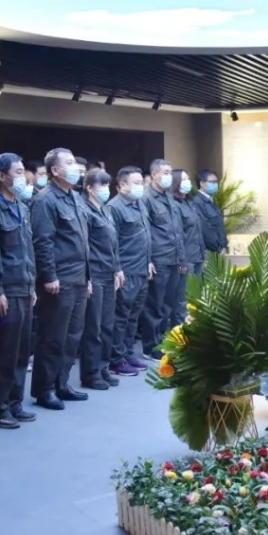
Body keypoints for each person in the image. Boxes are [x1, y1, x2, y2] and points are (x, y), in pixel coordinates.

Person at [30, 147, 91, 410]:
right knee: (53, 336)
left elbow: (82, 241)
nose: (75, 167)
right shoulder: (45, 200)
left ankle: (62, 384)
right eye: (69, 163)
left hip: (79, 277)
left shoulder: (75, 197)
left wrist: (88, 277)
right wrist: (49, 276)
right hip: (60, 279)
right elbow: (42, 242)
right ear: (55, 170)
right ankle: (44, 389)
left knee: (72, 336)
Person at [0, 153, 38, 429]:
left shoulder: (22, 207)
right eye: (17, 172)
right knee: (3, 353)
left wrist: (33, 284)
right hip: (7, 290)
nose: (22, 176)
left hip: (25, 287)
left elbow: (29, 250)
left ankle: (15, 403)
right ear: (2, 176)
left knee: (21, 352)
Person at [138, 159, 186, 360]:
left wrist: (181, 258)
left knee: (168, 305)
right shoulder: (146, 198)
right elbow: (145, 232)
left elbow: (177, 231)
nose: (169, 176)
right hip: (158, 259)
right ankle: (151, 346)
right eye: (165, 172)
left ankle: (162, 341)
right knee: (154, 306)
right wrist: (148, 260)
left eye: (170, 172)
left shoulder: (169, 198)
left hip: (174, 258)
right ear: (154, 174)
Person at [107, 167, 153, 377]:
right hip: (126, 271)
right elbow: (112, 243)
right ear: (122, 185)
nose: (140, 187)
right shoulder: (114, 207)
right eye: (136, 183)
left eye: (141, 183)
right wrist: (117, 269)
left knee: (133, 316)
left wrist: (149, 261)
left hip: (142, 269)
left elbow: (145, 236)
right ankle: (116, 359)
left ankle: (126, 354)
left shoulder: (140, 203)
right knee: (121, 317)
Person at [80, 168, 123, 390]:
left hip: (108, 272)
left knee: (107, 325)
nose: (106, 189)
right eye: (102, 186)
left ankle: (103, 367)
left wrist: (118, 269)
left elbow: (113, 244)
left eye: (107, 185)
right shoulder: (84, 210)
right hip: (95, 273)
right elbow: (84, 246)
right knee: (93, 327)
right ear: (89, 188)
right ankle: (91, 373)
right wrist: (87, 277)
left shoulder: (105, 210)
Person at [171, 169, 204, 327]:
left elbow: (197, 231)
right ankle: (181, 330)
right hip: (186, 259)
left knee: (195, 296)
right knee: (182, 297)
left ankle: (193, 328)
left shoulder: (189, 203)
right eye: (183, 179)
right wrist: (181, 259)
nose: (187, 182)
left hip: (197, 256)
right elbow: (177, 235)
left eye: (187, 179)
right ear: (176, 183)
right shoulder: (175, 205)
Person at [194, 169, 229, 255]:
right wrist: (218, 248)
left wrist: (224, 245)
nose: (216, 184)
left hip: (218, 250)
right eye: (212, 182)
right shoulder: (198, 202)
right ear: (202, 183)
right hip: (209, 251)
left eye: (216, 182)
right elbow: (205, 230)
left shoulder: (211, 201)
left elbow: (219, 226)